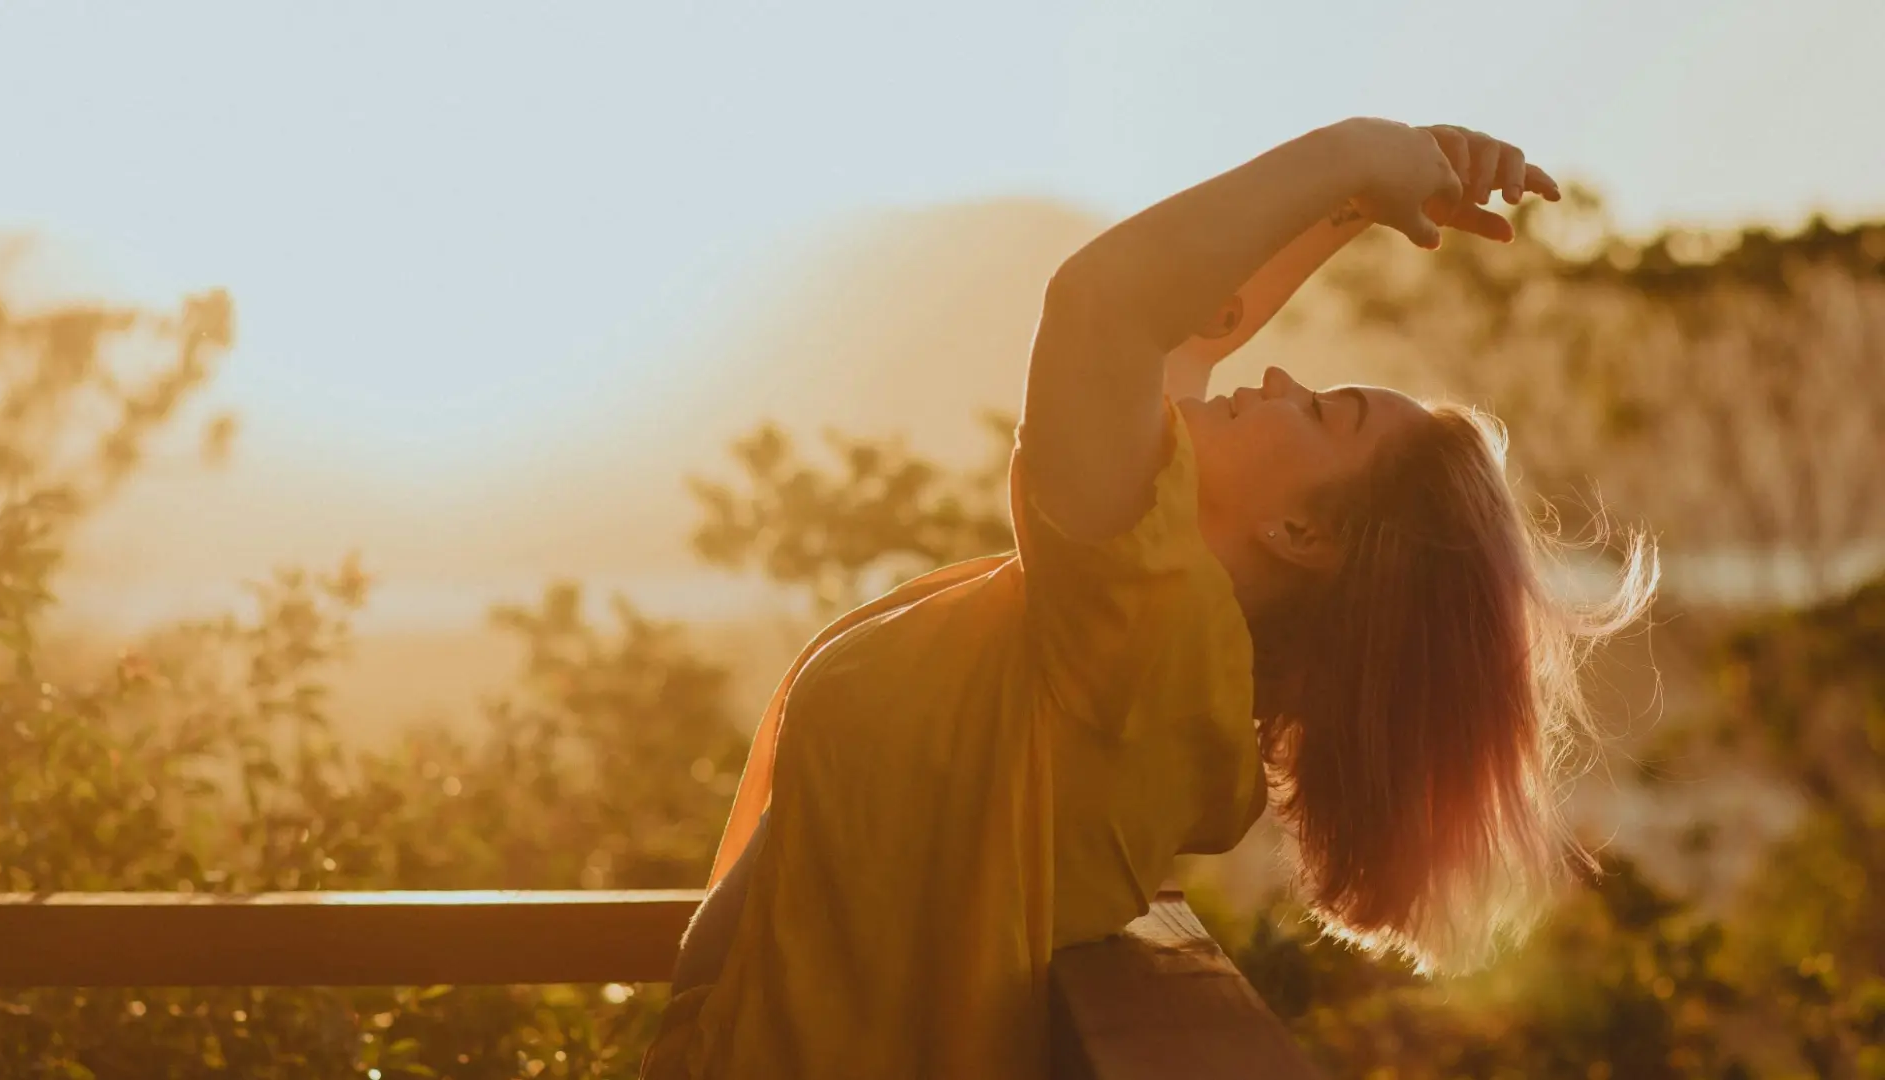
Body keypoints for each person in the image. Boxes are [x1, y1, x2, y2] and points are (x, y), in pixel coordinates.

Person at [639, 117, 1656, 1079]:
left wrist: (1354, 148)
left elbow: (1108, 307)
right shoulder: (1149, 604)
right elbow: (1184, 334)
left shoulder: (1148, 636)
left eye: (1321, 411)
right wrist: (1368, 193)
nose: (1280, 375)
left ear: (1303, 535)